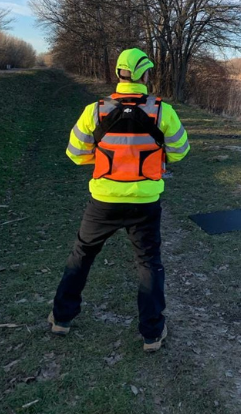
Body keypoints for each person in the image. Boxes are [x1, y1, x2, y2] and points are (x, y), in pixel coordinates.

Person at [49, 48, 191, 352]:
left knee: (82, 254)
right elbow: (180, 151)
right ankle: (152, 334)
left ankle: (61, 318)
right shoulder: (162, 111)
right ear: (145, 75)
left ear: (119, 75)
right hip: (145, 202)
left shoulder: (95, 110)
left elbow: (75, 154)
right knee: (148, 262)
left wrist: (105, 162)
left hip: (103, 200)